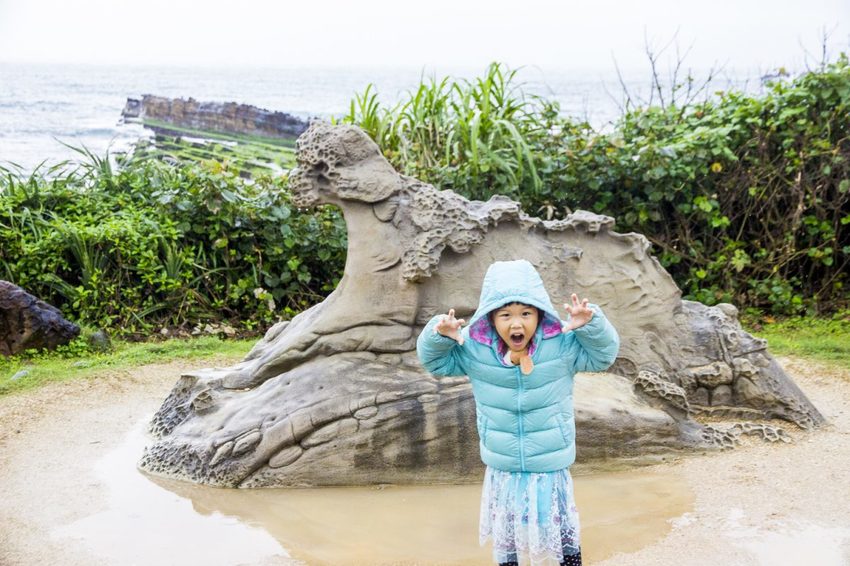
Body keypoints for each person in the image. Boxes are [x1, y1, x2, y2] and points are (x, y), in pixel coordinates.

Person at [416, 259, 620, 566]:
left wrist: (592, 325)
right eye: (506, 315)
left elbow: (603, 356)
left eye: (526, 313)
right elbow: (435, 363)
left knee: (560, 536)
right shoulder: (474, 348)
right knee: (509, 537)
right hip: (504, 466)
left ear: (539, 313)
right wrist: (438, 334)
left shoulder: (561, 344)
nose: (516, 324)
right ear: (490, 317)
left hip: (549, 465)